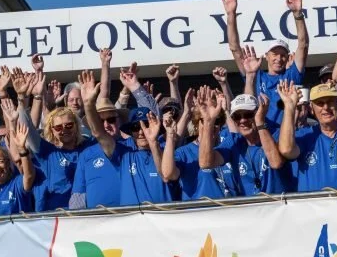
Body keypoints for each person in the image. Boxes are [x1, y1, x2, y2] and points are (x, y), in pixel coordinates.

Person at [222, 0, 308, 129]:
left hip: (286, 135)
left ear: (287, 58)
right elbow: (235, 48)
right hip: (261, 134)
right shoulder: (256, 75)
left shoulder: (292, 75)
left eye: (283, 55)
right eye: (274, 54)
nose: (279, 58)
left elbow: (303, 45)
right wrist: (231, 14)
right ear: (266, 56)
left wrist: (297, 14)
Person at [83, 78, 174, 206]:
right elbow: (99, 133)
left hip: (162, 222)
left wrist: (135, 87)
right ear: (130, 131)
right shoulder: (123, 153)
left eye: (146, 125)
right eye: (136, 127)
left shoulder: (166, 149)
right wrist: (88, 104)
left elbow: (165, 176)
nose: (142, 131)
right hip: (131, 223)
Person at [161, 87, 243, 200]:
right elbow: (168, 174)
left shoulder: (227, 146)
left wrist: (225, 110)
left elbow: (236, 136)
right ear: (196, 124)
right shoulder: (185, 152)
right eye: (205, 120)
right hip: (200, 213)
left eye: (217, 121)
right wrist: (170, 136)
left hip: (232, 211)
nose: (212, 124)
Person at [225, 93, 291, 195]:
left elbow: (276, 163)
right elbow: (206, 163)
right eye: (237, 116)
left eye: (248, 115)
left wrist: (260, 121)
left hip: (279, 206)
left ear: (258, 113)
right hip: (251, 208)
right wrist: (208, 120)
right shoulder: (234, 140)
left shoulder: (277, 133)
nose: (242, 120)